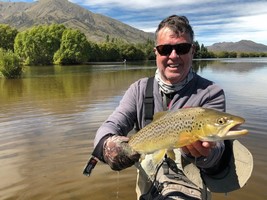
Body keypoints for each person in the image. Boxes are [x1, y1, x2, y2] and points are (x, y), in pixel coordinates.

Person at [90, 15, 253, 200]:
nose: (173, 56)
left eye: (182, 48)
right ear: (156, 53)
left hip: (194, 188)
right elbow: (110, 125)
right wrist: (108, 146)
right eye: (165, 49)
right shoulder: (139, 89)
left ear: (192, 51)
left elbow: (218, 150)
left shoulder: (210, 92)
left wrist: (206, 155)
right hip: (147, 186)